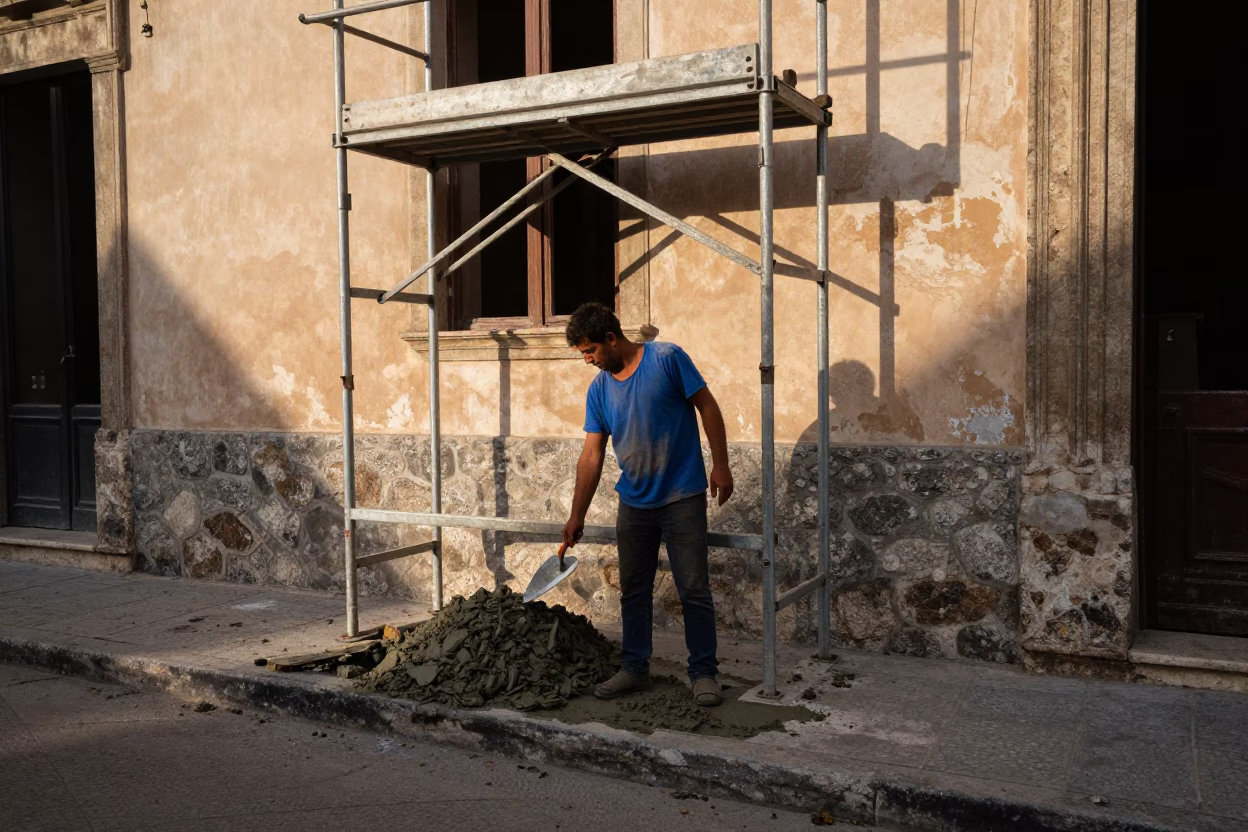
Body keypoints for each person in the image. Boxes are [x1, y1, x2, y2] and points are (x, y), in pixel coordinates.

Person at [561, 302, 733, 707]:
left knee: (694, 589)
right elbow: (591, 455)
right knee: (633, 591)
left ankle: (704, 673)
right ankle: (635, 668)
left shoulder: (667, 358)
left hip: (682, 496)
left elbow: (707, 406)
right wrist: (576, 514)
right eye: (583, 355)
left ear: (611, 337)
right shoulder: (599, 389)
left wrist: (721, 465)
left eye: (590, 352)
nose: (588, 361)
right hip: (634, 504)